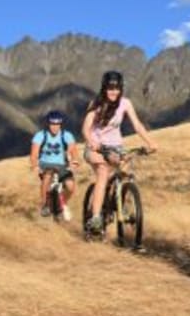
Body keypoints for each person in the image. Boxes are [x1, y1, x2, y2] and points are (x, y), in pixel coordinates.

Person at [81, 70, 158, 233]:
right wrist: (92, 142)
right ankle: (95, 218)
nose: (113, 91)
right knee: (103, 172)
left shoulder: (125, 103)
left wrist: (150, 142)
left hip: (116, 147)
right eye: (110, 88)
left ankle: (118, 206)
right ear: (104, 88)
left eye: (116, 88)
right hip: (96, 147)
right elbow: (85, 129)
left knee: (124, 173)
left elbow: (137, 125)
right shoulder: (95, 104)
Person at [29, 110, 81, 221]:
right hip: (45, 164)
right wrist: (35, 165)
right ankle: (45, 205)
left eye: (57, 124)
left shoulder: (67, 136)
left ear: (61, 124)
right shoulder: (40, 135)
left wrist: (75, 162)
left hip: (62, 165)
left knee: (70, 186)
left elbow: (74, 152)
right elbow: (34, 153)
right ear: (48, 124)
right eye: (52, 124)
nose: (55, 127)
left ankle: (63, 204)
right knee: (47, 176)